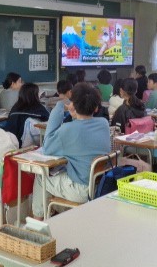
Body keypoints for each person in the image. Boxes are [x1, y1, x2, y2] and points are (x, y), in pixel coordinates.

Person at [32, 83, 111, 219]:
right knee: (59, 174)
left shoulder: (68, 129)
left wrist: (59, 107)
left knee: (41, 177)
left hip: (80, 190)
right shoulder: (103, 123)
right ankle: (56, 214)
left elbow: (47, 147)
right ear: (96, 107)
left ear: (73, 105)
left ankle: (37, 222)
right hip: (99, 185)